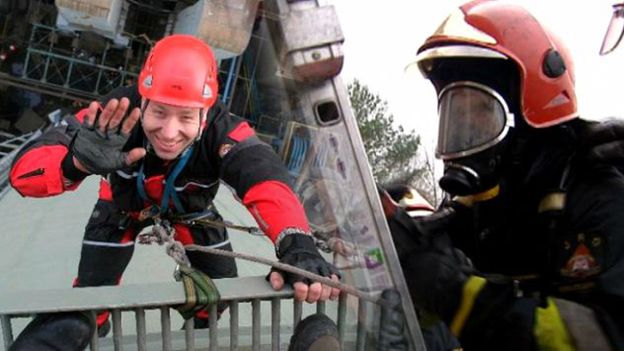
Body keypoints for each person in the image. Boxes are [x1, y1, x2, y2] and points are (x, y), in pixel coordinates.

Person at [8, 34, 340, 349]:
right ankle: (94, 328)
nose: (169, 132)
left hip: (192, 215)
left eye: (185, 116)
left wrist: (297, 243)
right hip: (121, 208)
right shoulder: (115, 113)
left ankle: (191, 339)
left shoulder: (223, 130)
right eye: (159, 112)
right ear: (144, 99)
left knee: (218, 294)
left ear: (205, 113)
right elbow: (24, 173)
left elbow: (263, 175)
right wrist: (74, 164)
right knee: (92, 295)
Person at [385, 0, 624, 350]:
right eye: (454, 111)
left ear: (527, 111)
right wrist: (398, 244)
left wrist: (455, 294)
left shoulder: (599, 198)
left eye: (480, 108)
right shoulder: (487, 207)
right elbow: (431, 306)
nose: (464, 127)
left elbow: (604, 337)